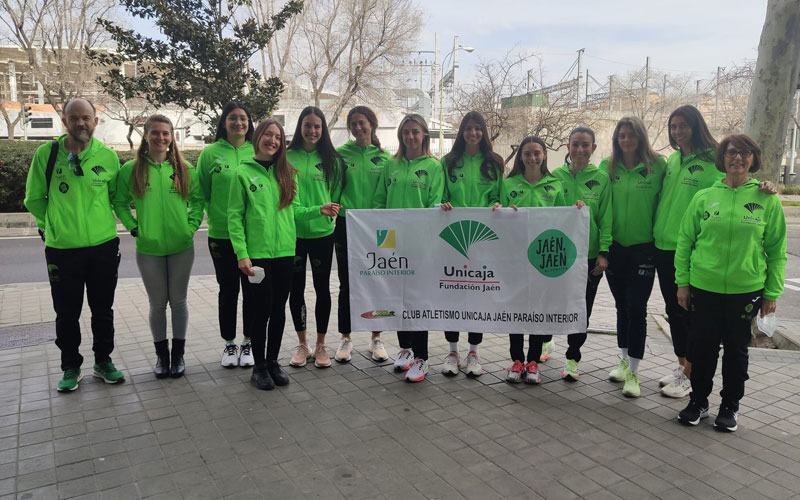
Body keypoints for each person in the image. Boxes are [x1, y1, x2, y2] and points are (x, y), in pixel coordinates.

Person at [654, 105, 775, 398]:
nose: (677, 131)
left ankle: (690, 375)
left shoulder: (713, 159)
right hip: (664, 245)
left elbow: (733, 188)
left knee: (690, 319)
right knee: (675, 311)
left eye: (683, 125)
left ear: (696, 126)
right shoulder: (672, 160)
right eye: (673, 126)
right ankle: (684, 365)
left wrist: (765, 185)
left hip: (694, 251)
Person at [675, 134, 786, 431]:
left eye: (745, 152)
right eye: (731, 152)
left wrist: (772, 292)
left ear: (754, 158)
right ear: (722, 158)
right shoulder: (704, 197)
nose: (738, 157)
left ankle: (730, 406)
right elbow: (685, 242)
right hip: (704, 287)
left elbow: (776, 251)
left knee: (737, 351)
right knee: (702, 348)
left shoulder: (767, 199)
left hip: (745, 290)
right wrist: (682, 283)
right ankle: (698, 401)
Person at [228, 119, 340, 390]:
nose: (273, 141)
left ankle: (272, 362)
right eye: (268, 135)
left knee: (278, 311)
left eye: (278, 137)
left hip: (285, 254)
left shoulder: (288, 173)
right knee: (260, 311)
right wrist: (242, 255)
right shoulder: (242, 174)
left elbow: (295, 210)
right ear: (258, 138)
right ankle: (259, 367)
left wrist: (318, 210)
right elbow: (234, 218)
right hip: (257, 256)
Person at [24, 97, 125, 392]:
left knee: (103, 310)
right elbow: (33, 198)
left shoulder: (107, 157)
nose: (81, 123)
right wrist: (52, 225)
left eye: (86, 118)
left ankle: (103, 361)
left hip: (103, 247)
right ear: (65, 121)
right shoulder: (47, 154)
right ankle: (70, 366)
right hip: (62, 250)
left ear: (95, 121)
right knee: (67, 313)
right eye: (74, 118)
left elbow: (116, 198)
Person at [115, 115, 204, 379]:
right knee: (157, 303)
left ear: (172, 137)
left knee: (178, 302)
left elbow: (198, 201)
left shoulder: (184, 168)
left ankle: (178, 356)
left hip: (181, 246)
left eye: (166, 133)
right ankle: (161, 357)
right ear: (146, 136)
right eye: (155, 133)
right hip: (149, 248)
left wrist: (190, 227)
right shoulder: (131, 169)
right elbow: (119, 202)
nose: (161, 138)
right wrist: (133, 227)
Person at [373, 113, 444, 382]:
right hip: (393, 243)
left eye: (415, 132)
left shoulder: (434, 167)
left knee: (417, 300)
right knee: (398, 299)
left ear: (424, 135)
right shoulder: (391, 165)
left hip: (419, 244)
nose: (410, 137)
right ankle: (405, 350)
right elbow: (380, 201)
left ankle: (422, 358)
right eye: (406, 132)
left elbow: (435, 203)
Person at [599, 116, 666, 398]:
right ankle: (624, 360)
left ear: (640, 137)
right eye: (621, 136)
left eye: (631, 135)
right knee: (621, 307)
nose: (626, 140)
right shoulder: (607, 166)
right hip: (615, 248)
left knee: (637, 308)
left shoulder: (658, 166)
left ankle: (635, 374)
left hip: (643, 248)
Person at [439, 111, 504, 377]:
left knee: (478, 297)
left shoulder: (495, 163)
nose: (473, 132)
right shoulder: (448, 162)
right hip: (453, 239)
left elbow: (500, 196)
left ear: (484, 131)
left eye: (478, 128)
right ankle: (452, 351)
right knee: (452, 294)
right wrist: (442, 205)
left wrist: (497, 205)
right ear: (462, 131)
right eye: (468, 128)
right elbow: (441, 195)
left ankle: (474, 352)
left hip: (482, 240)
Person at [500, 136, 567, 385]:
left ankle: (533, 361)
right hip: (515, 259)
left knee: (539, 311)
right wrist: (500, 209)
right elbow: (498, 217)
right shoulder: (509, 185)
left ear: (545, 155)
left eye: (537, 153)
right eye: (527, 153)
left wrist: (577, 210)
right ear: (521, 157)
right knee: (516, 311)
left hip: (542, 260)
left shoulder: (555, 185)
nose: (532, 158)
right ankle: (517, 360)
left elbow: (564, 219)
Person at [197, 102, 256, 368]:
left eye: (243, 118)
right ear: (224, 123)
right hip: (221, 234)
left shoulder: (256, 150)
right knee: (228, 290)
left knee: (252, 292)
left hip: (254, 236)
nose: (239, 123)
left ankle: (248, 342)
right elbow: (202, 194)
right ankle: (229, 344)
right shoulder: (210, 153)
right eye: (233, 118)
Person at [286, 107, 345, 369]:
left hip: (323, 235)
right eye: (308, 125)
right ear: (300, 127)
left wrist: (329, 215)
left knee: (323, 290)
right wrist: (314, 211)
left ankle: (321, 345)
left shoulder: (332, 159)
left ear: (323, 130)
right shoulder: (286, 158)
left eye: (317, 126)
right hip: (294, 234)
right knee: (295, 290)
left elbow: (338, 195)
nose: (312, 131)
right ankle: (302, 343)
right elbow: (286, 200)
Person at [552, 126, 611, 381]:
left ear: (593, 149)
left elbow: (606, 217)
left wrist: (604, 252)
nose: (579, 149)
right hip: (559, 254)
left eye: (585, 145)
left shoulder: (602, 179)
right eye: (575, 144)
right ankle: (545, 340)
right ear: (568, 147)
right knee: (554, 302)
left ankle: (572, 357)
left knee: (582, 308)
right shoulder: (555, 176)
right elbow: (547, 212)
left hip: (588, 256)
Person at [333, 106, 391, 364]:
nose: (358, 128)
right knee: (347, 284)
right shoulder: (340, 155)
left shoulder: (385, 158)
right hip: (347, 226)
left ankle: (376, 338)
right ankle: (345, 338)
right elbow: (334, 190)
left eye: (362, 123)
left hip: (378, 230)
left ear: (372, 124)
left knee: (376, 282)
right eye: (354, 124)